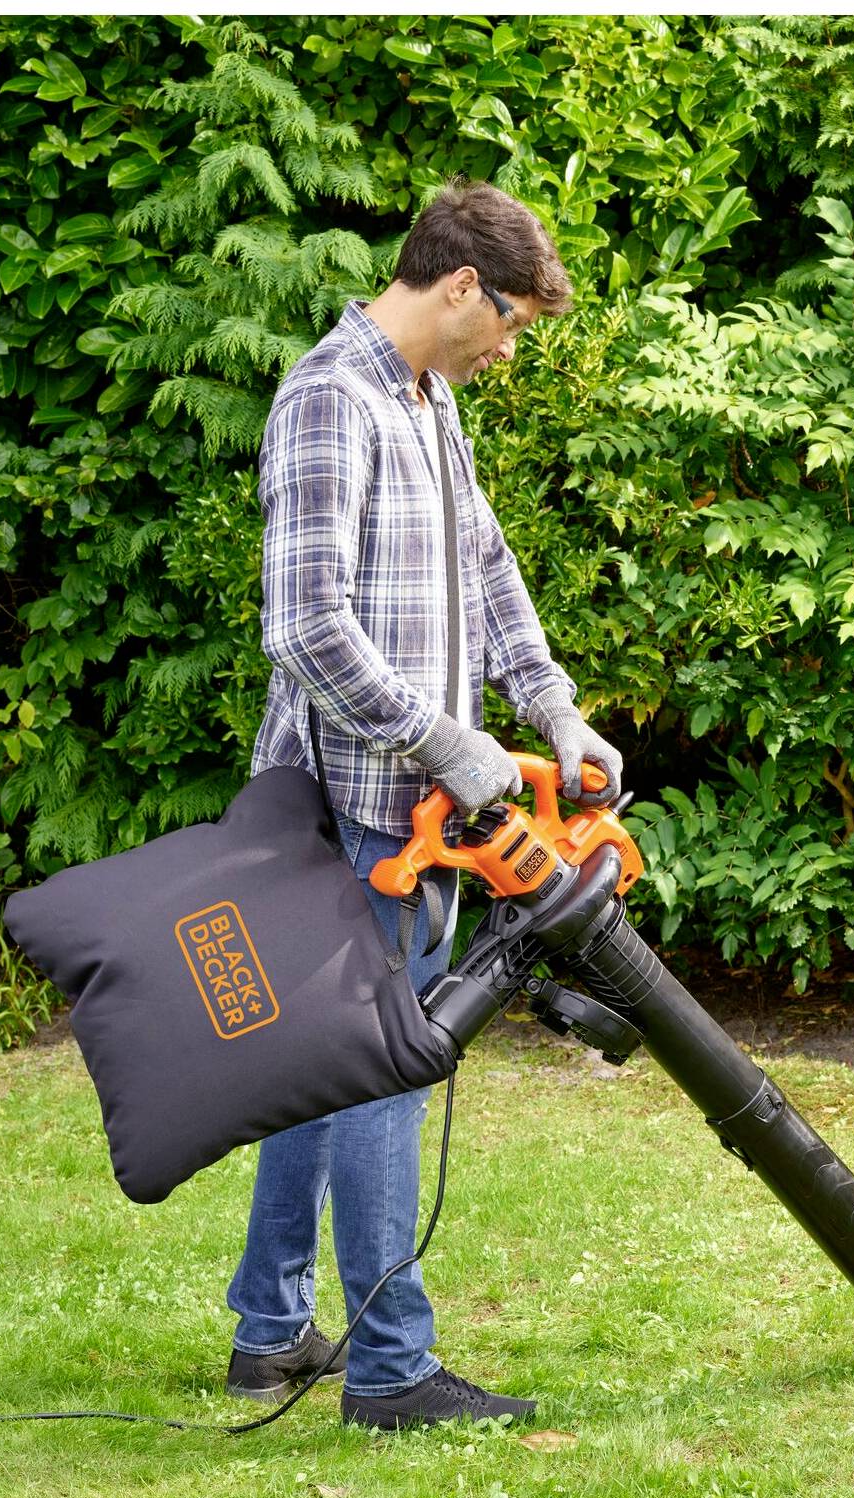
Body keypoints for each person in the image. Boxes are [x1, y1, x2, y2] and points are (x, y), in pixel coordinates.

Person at [222, 180, 623, 1431]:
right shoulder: (331, 399)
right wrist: (448, 740)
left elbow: (489, 568)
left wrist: (555, 713)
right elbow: (306, 626)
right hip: (362, 798)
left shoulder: (426, 398)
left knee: (323, 1063)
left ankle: (272, 1330)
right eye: (507, 322)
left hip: (418, 797)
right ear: (460, 286)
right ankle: (392, 1371)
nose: (509, 348)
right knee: (384, 1071)